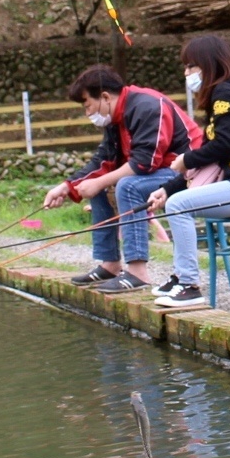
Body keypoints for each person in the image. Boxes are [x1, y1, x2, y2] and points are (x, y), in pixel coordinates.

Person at [144, 36, 230, 307]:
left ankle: (188, 284)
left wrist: (185, 159)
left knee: (179, 206)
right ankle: (181, 276)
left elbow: (223, 146)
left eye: (191, 66)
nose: (186, 73)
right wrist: (166, 188)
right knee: (175, 200)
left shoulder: (225, 94)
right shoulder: (226, 92)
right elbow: (209, 154)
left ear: (209, 64)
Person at [42, 64, 202, 293]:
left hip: (186, 173)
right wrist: (67, 187)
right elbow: (103, 161)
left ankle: (138, 272)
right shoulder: (115, 118)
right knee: (100, 184)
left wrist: (100, 181)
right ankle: (110, 264)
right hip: (158, 172)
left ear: (105, 97)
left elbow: (146, 162)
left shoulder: (147, 106)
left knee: (127, 186)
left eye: (88, 105)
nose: (88, 113)